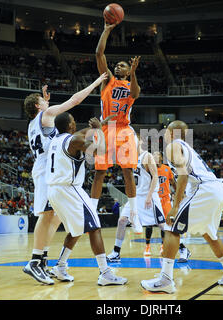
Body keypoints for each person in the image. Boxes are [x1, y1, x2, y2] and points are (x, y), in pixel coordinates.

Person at [23, 73, 108, 285]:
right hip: (47, 172)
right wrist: (97, 82)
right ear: (37, 105)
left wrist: (46, 103)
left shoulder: (34, 123)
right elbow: (74, 100)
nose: (47, 101)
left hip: (47, 168)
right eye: (43, 101)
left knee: (55, 216)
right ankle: (34, 261)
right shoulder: (46, 115)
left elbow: (53, 126)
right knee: (46, 216)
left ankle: (42, 259)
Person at [141, 121, 223, 294]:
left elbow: (183, 175)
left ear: (172, 133)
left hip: (204, 189)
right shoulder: (186, 146)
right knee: (209, 233)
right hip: (217, 189)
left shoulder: (173, 146)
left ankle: (166, 279)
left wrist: (176, 206)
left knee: (171, 228)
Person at [45, 112, 127, 286]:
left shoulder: (56, 140)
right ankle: (105, 272)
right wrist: (100, 130)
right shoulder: (73, 141)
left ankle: (59, 266)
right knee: (95, 227)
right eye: (74, 121)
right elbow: (101, 151)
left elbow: (83, 133)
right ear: (69, 126)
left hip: (53, 191)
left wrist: (100, 124)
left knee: (76, 230)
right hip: (69, 189)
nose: (76, 123)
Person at [90, 21, 142, 236]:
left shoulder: (131, 85)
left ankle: (134, 215)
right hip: (106, 127)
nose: (118, 67)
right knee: (99, 172)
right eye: (117, 65)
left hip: (124, 129)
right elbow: (99, 53)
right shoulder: (108, 81)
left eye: (123, 65)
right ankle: (92, 214)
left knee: (128, 171)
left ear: (129, 70)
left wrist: (134, 74)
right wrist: (107, 29)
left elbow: (136, 94)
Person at [106, 138, 167, 262]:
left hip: (148, 196)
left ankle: (181, 248)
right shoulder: (130, 158)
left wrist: (149, 196)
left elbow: (155, 176)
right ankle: (116, 252)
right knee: (122, 220)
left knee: (162, 225)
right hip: (136, 197)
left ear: (138, 142)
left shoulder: (147, 156)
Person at [149, 151, 191, 262]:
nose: (154, 156)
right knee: (160, 226)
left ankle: (182, 249)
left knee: (170, 226)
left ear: (161, 158)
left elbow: (174, 183)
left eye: (157, 155)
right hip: (155, 201)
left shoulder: (167, 169)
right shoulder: (149, 169)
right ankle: (164, 247)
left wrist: (180, 194)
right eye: (153, 155)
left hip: (165, 200)